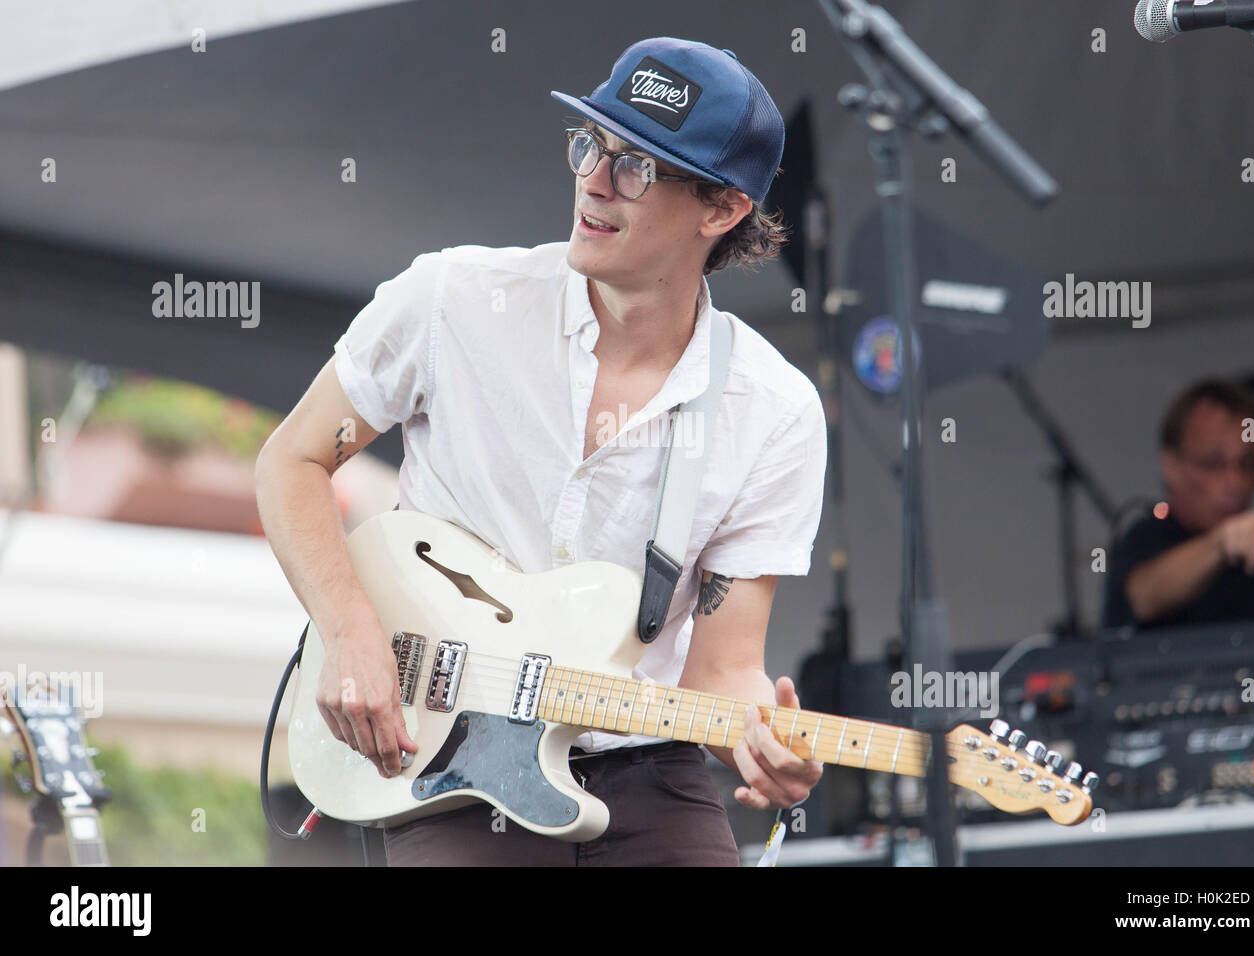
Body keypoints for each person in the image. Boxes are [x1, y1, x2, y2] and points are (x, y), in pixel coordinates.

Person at [255, 37, 828, 865]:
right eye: (591, 144)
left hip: (648, 772)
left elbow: (724, 672)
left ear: (722, 209)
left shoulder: (773, 410)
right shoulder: (451, 301)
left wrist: (765, 748)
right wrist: (349, 629)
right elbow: (292, 460)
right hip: (449, 753)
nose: (595, 180)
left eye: (637, 167)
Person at [1102, 379, 1254, 629]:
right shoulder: (1146, 536)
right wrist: (1222, 543)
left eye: (1247, 464)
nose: (1235, 483)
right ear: (1171, 465)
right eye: (1213, 463)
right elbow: (1144, 596)